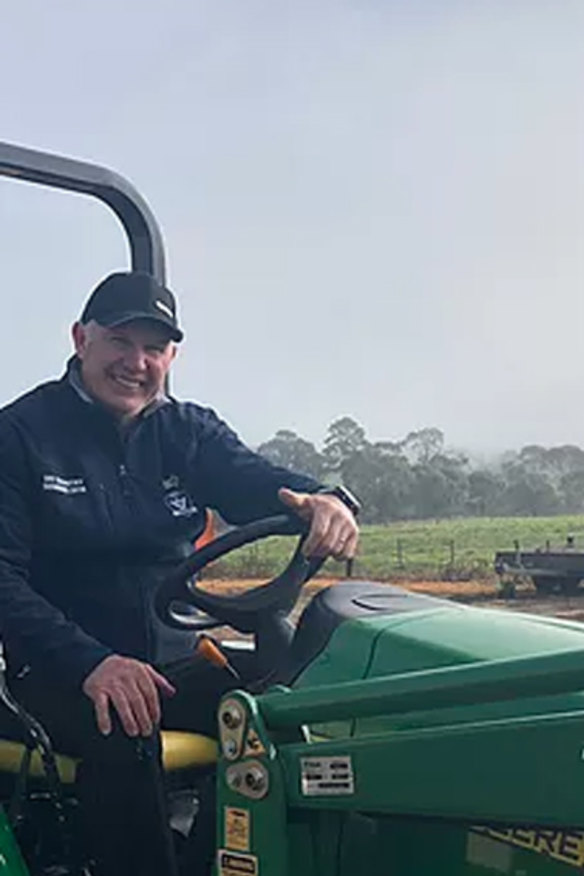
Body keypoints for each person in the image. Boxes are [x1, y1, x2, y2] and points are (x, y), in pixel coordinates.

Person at [0, 271, 359, 876]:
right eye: (120, 341)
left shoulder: (185, 432)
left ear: (172, 356)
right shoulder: (20, 436)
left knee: (279, 709)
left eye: (154, 348)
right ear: (81, 338)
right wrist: (94, 663)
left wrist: (323, 499)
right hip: (60, 671)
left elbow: (255, 482)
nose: (136, 362)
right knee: (126, 726)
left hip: (173, 661)